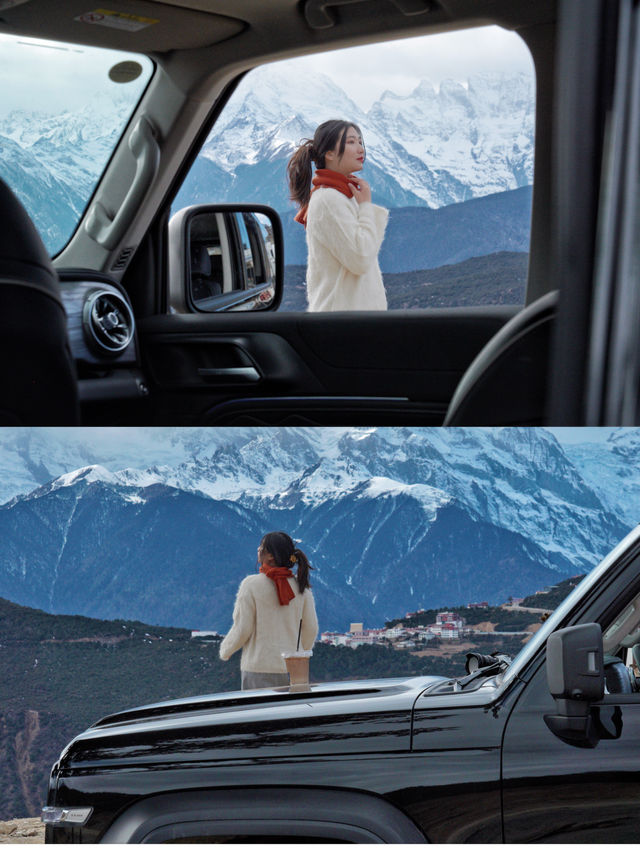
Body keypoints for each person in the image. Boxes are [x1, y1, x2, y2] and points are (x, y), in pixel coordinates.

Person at [287, 119, 388, 312]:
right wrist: (366, 207)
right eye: (351, 142)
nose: (360, 149)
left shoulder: (340, 196)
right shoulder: (328, 199)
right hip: (343, 322)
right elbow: (360, 258)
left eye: (360, 141)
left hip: (348, 319)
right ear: (330, 154)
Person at [219, 531, 319, 689]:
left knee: (259, 713)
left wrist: (225, 650)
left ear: (271, 556)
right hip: (294, 670)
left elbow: (242, 628)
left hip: (259, 668)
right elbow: (311, 629)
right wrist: (297, 652)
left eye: (262, 547)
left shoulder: (250, 585)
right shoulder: (302, 589)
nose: (258, 550)